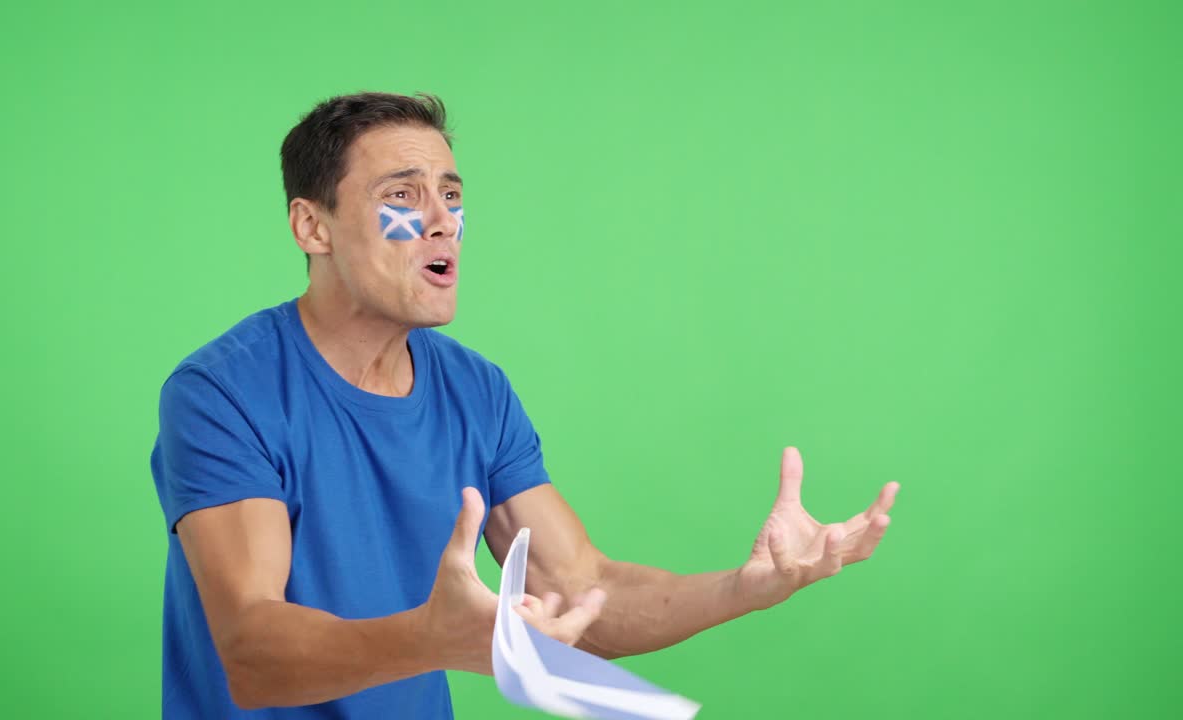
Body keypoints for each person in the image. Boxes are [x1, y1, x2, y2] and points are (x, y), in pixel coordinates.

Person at [150, 91, 900, 719]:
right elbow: (251, 652)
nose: (442, 220)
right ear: (311, 226)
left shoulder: (476, 391)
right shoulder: (223, 392)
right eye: (401, 196)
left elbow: (579, 593)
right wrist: (433, 639)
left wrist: (748, 588)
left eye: (452, 194)